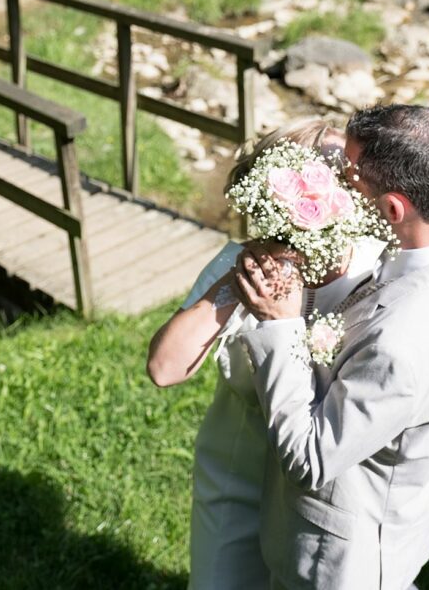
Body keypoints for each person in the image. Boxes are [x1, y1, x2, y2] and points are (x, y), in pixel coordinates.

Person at [231, 104, 429, 589]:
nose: (335, 189)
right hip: (406, 514)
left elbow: (310, 459)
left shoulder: (400, 343)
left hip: (343, 561)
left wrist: (280, 325)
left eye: (350, 181)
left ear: (394, 208)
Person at [147, 119, 384, 590]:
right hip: (242, 470)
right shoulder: (240, 266)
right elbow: (165, 368)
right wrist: (245, 276)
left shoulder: (377, 264)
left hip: (328, 482)